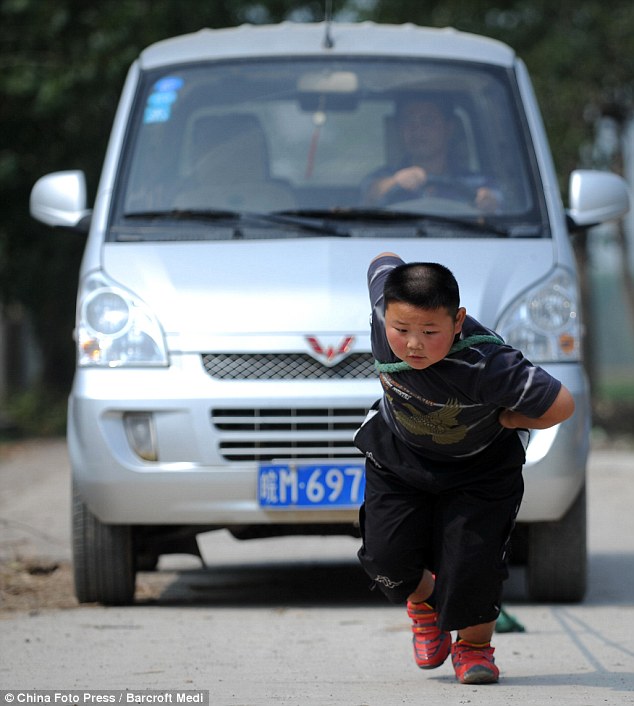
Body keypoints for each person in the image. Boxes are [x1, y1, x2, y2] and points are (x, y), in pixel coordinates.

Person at [354, 253, 575, 684]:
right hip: (399, 457)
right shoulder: (385, 304)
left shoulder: (488, 365)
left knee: (474, 566)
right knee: (386, 561)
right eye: (401, 331)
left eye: (429, 332)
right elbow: (382, 263)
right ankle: (425, 604)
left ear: (458, 321)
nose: (413, 344)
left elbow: (561, 404)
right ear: (385, 314)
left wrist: (513, 419)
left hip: (481, 470)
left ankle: (473, 648)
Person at [362, 98, 499, 212]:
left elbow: (503, 215)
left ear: (449, 128)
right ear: (399, 130)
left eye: (427, 121)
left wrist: (489, 204)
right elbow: (369, 196)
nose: (417, 130)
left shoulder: (478, 183)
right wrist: (396, 182)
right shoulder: (382, 177)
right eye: (408, 122)